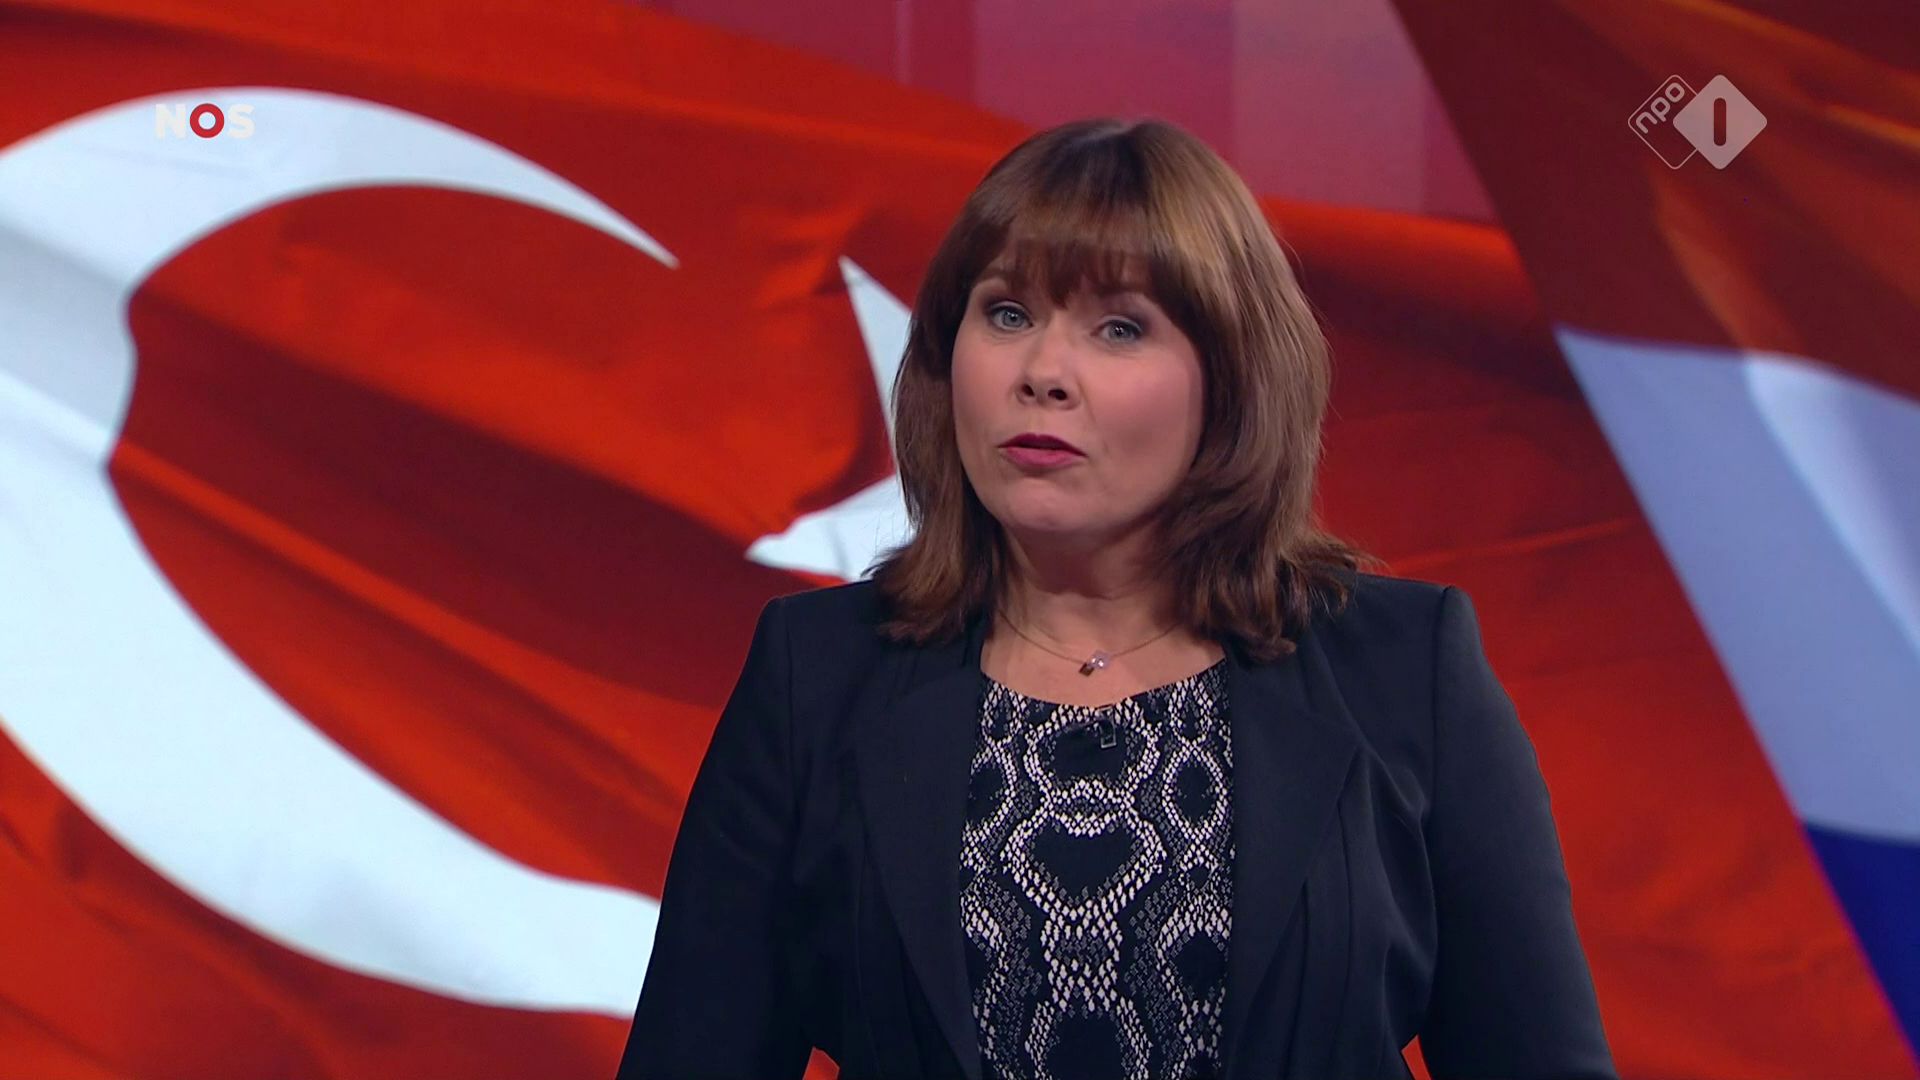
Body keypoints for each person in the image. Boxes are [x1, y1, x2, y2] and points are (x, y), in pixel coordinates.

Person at [616, 117, 1615, 1080]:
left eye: (1120, 328)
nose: (1043, 373)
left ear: (1230, 383)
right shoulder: (817, 671)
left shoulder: (1405, 668)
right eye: (1007, 313)